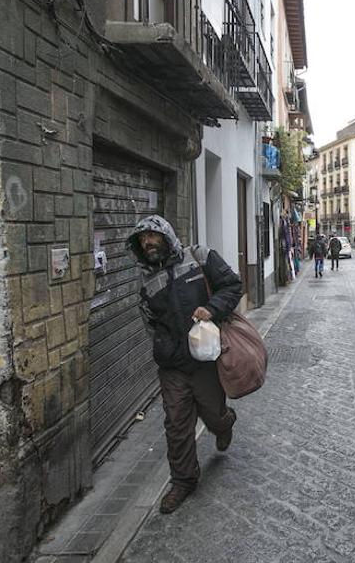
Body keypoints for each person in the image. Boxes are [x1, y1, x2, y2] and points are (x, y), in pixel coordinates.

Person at [126, 215, 242, 514]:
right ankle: (183, 480)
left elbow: (232, 285)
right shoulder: (147, 281)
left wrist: (211, 309)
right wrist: (163, 347)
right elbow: (149, 323)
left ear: (166, 235)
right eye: (142, 240)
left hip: (204, 360)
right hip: (173, 366)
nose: (147, 243)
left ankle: (225, 423)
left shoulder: (198, 257)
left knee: (213, 415)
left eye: (152, 237)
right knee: (176, 424)